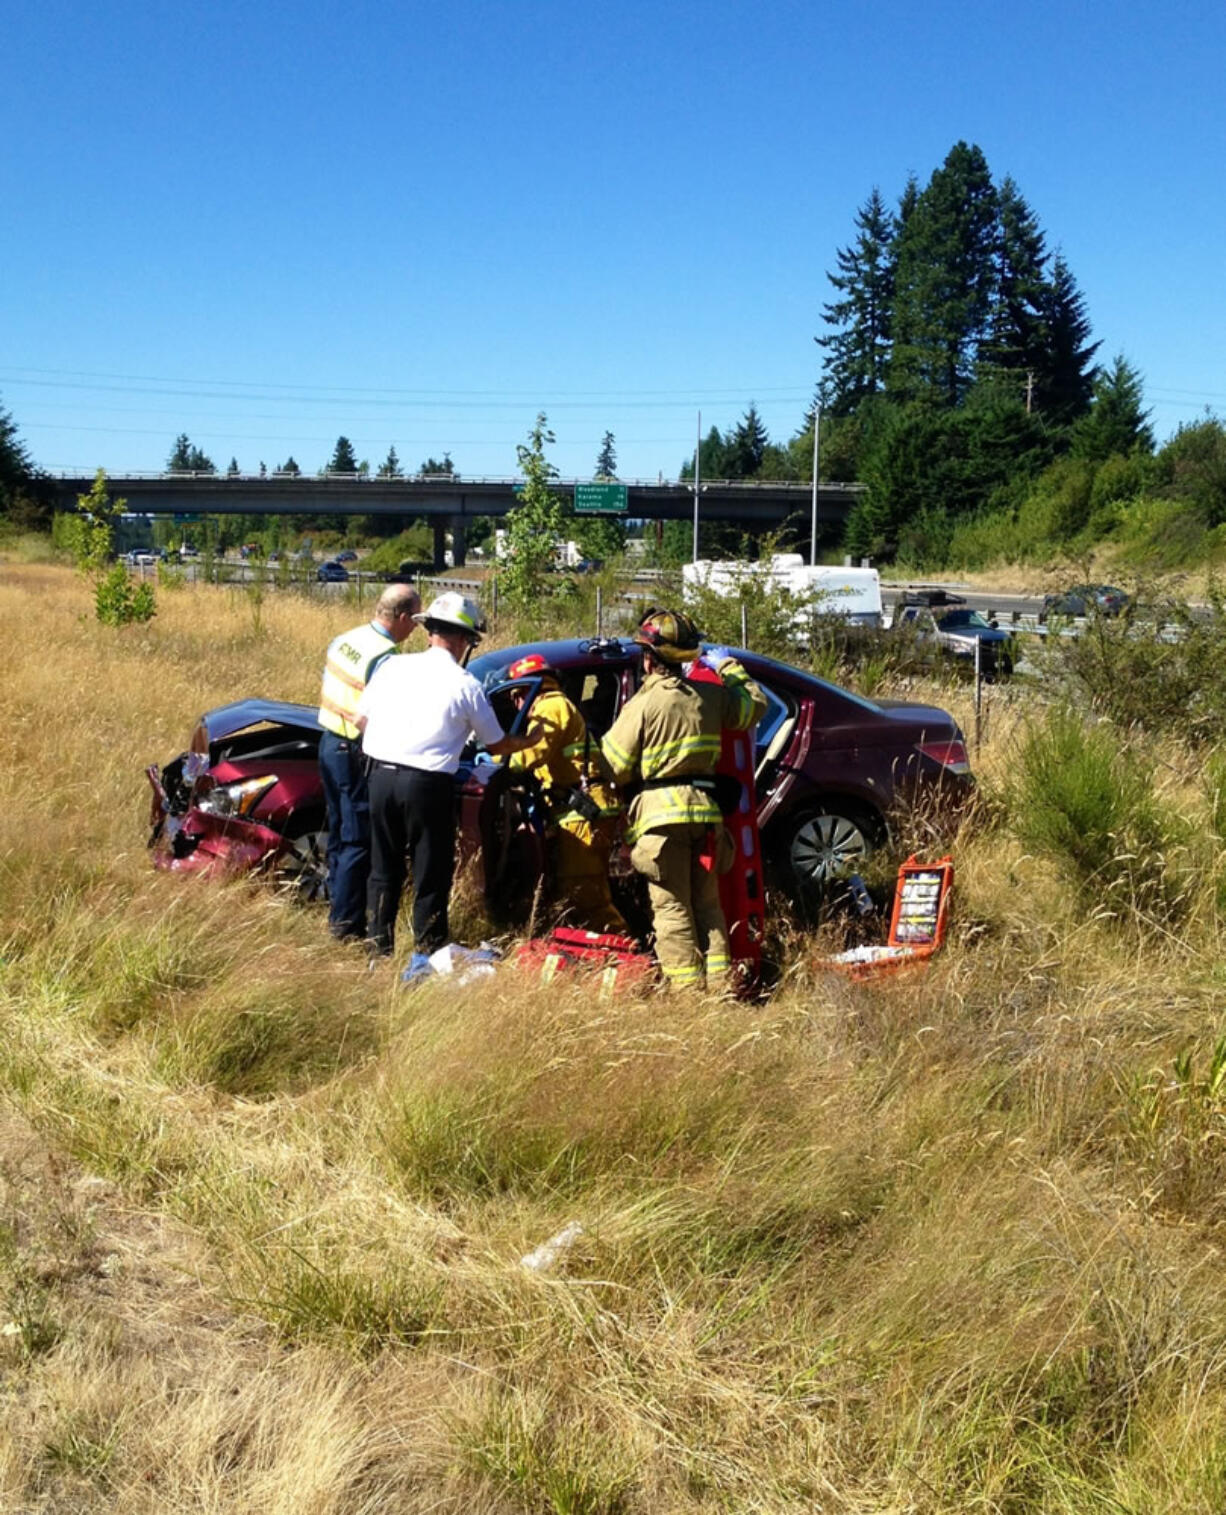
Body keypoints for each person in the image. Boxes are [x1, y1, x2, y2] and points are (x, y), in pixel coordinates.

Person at [356, 591, 539, 959]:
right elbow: (497, 743)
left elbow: (361, 720)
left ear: (429, 632)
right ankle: (427, 953)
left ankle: (378, 951)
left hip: (379, 777)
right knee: (430, 872)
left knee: (383, 868)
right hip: (426, 785)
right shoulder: (465, 684)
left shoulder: (391, 667)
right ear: (461, 640)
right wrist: (530, 739)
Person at [601, 609, 766, 989]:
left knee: (673, 909)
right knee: (709, 906)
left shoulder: (642, 705)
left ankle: (689, 996)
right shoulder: (710, 697)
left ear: (648, 658)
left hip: (661, 823)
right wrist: (728, 666)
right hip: (707, 818)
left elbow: (616, 766)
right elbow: (754, 705)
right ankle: (723, 990)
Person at [317, 584, 421, 940]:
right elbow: (374, 714)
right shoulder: (384, 656)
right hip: (352, 750)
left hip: (328, 742)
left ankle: (335, 905)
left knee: (338, 833)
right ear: (403, 617)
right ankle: (345, 926)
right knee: (358, 839)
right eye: (416, 620)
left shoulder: (347, 638)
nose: (417, 629)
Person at [504, 652, 627, 933]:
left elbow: (534, 752)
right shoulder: (554, 705)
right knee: (573, 889)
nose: (516, 704)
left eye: (515, 695)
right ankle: (589, 951)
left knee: (585, 891)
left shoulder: (550, 707)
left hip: (582, 811)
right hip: (575, 809)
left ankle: (622, 952)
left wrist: (499, 763)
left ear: (528, 688)